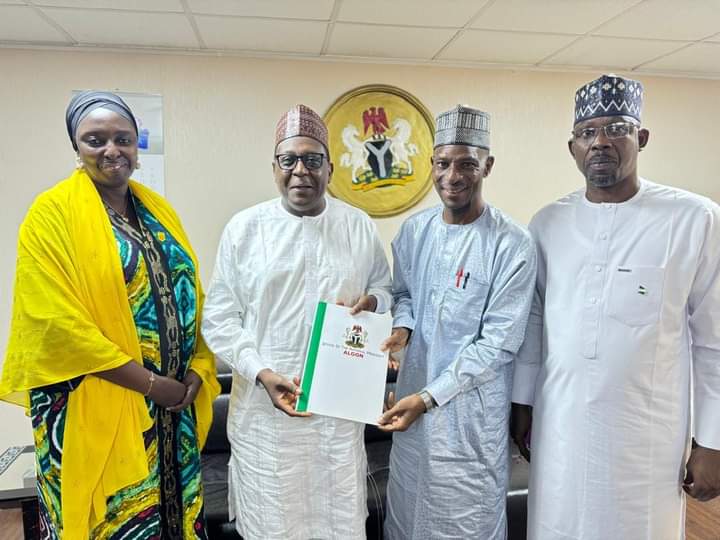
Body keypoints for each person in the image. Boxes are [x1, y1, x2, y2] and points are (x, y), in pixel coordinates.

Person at [0, 91, 220, 539]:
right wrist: (152, 384)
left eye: (123, 138)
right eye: (95, 139)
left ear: (138, 145)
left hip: (171, 410)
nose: (111, 149)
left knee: (174, 520)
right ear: (76, 147)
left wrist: (198, 368)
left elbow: (191, 297)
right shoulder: (51, 215)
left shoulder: (158, 212)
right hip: (99, 402)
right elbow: (55, 325)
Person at [511, 74, 720, 540]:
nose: (601, 142)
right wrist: (522, 402)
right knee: (557, 526)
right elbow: (535, 319)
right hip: (560, 427)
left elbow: (714, 340)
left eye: (616, 129)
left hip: (644, 437)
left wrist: (712, 440)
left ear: (641, 138)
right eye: (587, 132)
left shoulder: (694, 219)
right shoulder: (547, 223)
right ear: (572, 148)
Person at [201, 104, 392, 540]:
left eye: (312, 159)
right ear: (274, 168)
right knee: (272, 525)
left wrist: (373, 302)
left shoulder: (357, 226)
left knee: (338, 525)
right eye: (288, 160)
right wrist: (260, 371)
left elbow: (384, 290)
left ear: (330, 168)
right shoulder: (245, 229)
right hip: (265, 421)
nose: (300, 170)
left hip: (336, 420)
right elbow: (220, 318)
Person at [378, 105, 537, 539]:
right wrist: (402, 327)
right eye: (443, 163)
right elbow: (404, 294)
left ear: (487, 165)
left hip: (470, 421)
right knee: (406, 519)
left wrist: (429, 398)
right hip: (411, 407)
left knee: (465, 524)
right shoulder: (413, 231)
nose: (453, 176)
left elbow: (498, 344)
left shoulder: (512, 244)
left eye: (467, 163)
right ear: (431, 165)